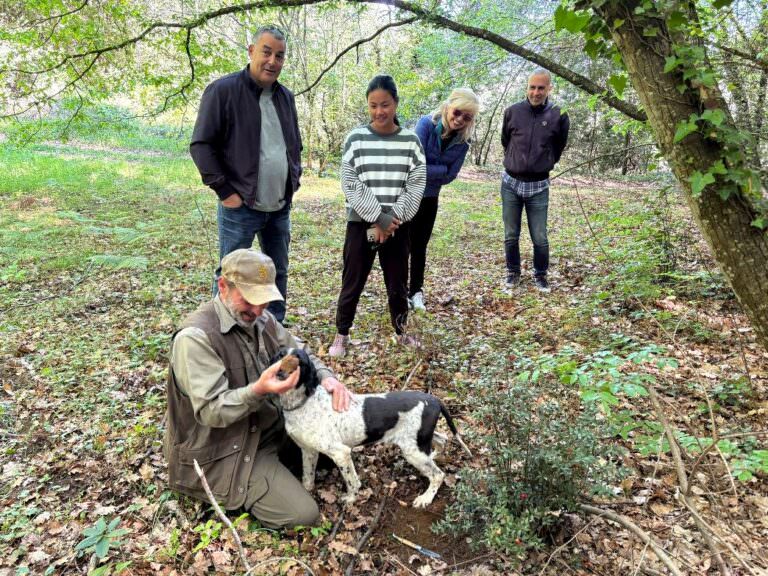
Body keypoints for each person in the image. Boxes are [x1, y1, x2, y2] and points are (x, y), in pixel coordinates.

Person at [164, 248, 352, 528]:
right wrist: (259, 390)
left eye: (264, 300)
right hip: (224, 449)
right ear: (223, 286)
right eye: (250, 299)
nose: (258, 309)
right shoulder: (196, 338)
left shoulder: (262, 320)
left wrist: (327, 377)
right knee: (303, 516)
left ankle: (276, 469)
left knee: (335, 449)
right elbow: (212, 411)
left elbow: (299, 351)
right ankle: (257, 478)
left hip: (267, 428)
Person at [190, 25, 301, 323]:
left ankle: (273, 330)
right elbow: (201, 145)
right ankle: (221, 331)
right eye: (266, 52)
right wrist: (225, 192)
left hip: (279, 207)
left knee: (276, 271)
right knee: (230, 272)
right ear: (251, 51)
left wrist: (294, 181)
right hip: (241, 207)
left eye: (279, 56)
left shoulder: (285, 98)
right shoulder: (223, 91)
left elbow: (294, 145)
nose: (272, 61)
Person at [328, 75, 426, 358]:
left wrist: (392, 217)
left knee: (397, 282)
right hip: (362, 225)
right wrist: (376, 217)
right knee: (353, 280)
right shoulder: (355, 139)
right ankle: (341, 335)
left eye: (385, 105)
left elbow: (416, 182)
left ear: (395, 103)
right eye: (373, 106)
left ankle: (401, 332)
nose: (379, 112)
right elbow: (350, 181)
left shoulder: (411, 141)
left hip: (398, 226)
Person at [500, 68, 570, 292]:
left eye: (541, 87)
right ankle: (513, 272)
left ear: (549, 88)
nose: (536, 92)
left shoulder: (559, 115)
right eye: (532, 87)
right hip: (511, 183)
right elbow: (505, 141)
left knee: (539, 236)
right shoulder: (512, 111)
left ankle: (540, 275)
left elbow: (558, 147)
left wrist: (543, 162)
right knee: (511, 234)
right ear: (526, 87)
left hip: (539, 186)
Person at [411, 88, 480, 312]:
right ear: (448, 107)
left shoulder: (463, 143)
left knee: (420, 246)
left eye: (466, 117)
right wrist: (440, 169)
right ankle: (399, 291)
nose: (459, 119)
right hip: (407, 195)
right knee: (403, 245)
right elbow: (413, 165)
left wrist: (433, 171)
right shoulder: (425, 125)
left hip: (431, 198)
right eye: (457, 112)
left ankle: (416, 291)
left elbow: (451, 176)